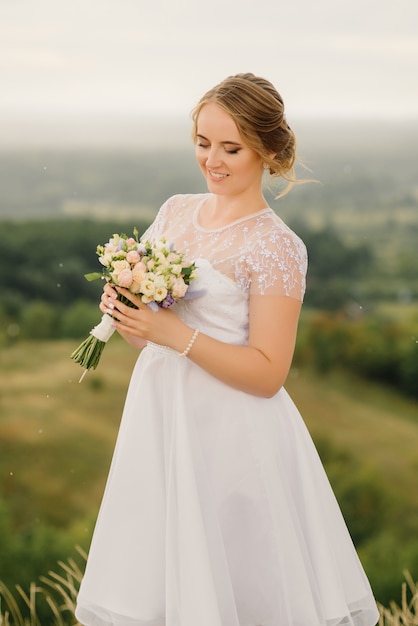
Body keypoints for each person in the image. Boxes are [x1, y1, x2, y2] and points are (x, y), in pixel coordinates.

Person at [75, 73, 379, 626]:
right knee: (162, 581)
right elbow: (151, 326)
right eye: (202, 142)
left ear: (267, 149)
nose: (212, 160)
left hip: (233, 437)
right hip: (163, 419)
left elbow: (268, 374)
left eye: (230, 148)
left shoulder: (276, 246)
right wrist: (127, 314)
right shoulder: (174, 212)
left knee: (237, 586)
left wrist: (175, 336)